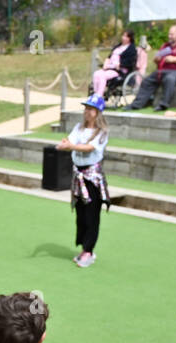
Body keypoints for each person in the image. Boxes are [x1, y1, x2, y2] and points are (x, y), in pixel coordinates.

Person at [57, 94, 110, 267]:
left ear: (97, 112)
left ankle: (89, 250)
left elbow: (89, 148)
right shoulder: (79, 127)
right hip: (78, 175)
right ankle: (83, 248)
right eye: (86, 108)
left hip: (92, 177)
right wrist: (64, 143)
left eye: (90, 109)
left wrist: (70, 146)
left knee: (91, 214)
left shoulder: (102, 132)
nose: (86, 112)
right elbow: (70, 140)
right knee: (80, 214)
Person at [126, 24, 176, 112]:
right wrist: (157, 59)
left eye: (172, 34)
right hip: (162, 71)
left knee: (169, 79)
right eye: (169, 34)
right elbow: (156, 58)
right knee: (147, 80)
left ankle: (163, 105)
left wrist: (173, 59)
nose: (169, 36)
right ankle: (137, 104)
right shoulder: (165, 46)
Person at [92, 30, 137, 96]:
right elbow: (109, 57)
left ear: (129, 38)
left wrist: (119, 65)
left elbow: (130, 62)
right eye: (123, 35)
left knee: (102, 76)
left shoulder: (131, 49)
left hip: (119, 71)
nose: (123, 37)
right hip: (109, 68)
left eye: (125, 36)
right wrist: (106, 63)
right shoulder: (117, 47)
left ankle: (99, 96)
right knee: (96, 74)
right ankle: (95, 93)